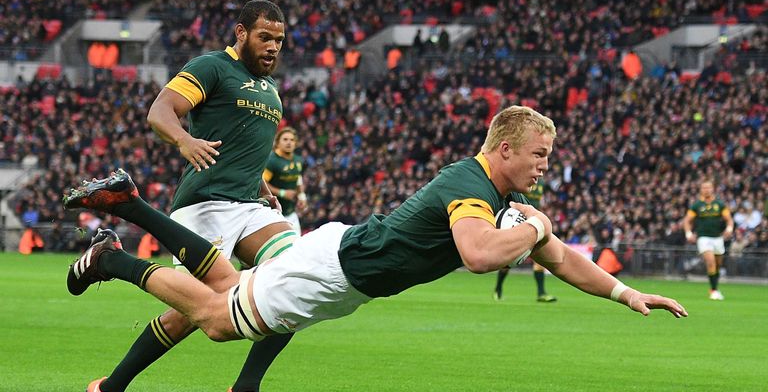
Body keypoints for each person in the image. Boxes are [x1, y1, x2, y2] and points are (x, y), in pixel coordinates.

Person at [64, 106, 687, 389]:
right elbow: (477, 254)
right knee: (216, 322)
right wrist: (537, 226)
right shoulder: (469, 184)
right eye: (538, 156)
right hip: (337, 270)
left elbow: (559, 257)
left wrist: (624, 291)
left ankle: (130, 208)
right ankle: (114, 256)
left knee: (227, 287)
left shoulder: (496, 197)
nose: (544, 168)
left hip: (343, 267)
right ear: (504, 150)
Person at [86, 0, 298, 392]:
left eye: (279, 40)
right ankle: (113, 383)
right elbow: (160, 110)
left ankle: (247, 385)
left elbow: (247, 147)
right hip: (205, 203)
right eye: (264, 37)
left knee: (297, 278)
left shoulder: (271, 89)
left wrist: (263, 187)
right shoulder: (212, 66)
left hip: (251, 207)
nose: (272, 47)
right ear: (241, 33)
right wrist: (183, 140)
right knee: (193, 312)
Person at [494, 178, 557, 302]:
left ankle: (541, 293)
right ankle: (498, 288)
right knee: (509, 260)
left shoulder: (542, 183)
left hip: (534, 221)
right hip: (518, 220)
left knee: (540, 259)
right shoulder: (524, 179)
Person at [683, 180, 734, 300]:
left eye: (708, 187)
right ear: (701, 190)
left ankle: (715, 288)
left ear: (713, 189)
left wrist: (729, 229)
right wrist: (688, 233)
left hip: (718, 238)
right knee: (710, 261)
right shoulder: (696, 205)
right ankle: (714, 290)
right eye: (704, 188)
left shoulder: (720, 204)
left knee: (718, 265)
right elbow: (687, 221)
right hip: (703, 238)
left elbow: (729, 219)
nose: (706, 190)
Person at [263, 127, 307, 233]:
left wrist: (302, 196)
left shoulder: (298, 160)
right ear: (277, 142)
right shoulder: (271, 161)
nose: (289, 142)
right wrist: (282, 193)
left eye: (292, 140)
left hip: (291, 213)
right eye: (285, 139)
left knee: (296, 245)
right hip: (272, 213)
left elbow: (298, 178)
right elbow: (262, 183)